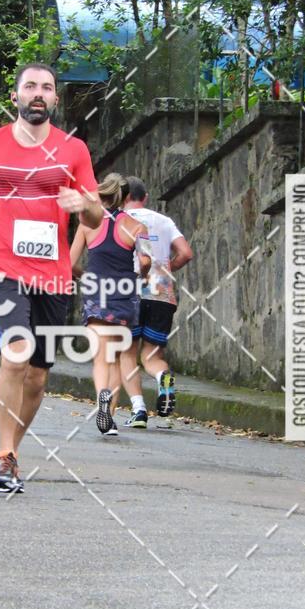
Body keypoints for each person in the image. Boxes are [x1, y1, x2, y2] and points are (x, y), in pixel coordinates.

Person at [0, 62, 103, 493]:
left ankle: (8, 448)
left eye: (46, 88)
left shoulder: (74, 151)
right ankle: (5, 458)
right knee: (15, 355)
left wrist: (80, 204)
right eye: (29, 86)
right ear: (14, 97)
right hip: (3, 269)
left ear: (54, 99)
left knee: (38, 376)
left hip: (52, 275)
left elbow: (97, 214)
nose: (37, 93)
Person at [70, 173, 151, 436]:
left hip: (96, 296)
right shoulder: (137, 227)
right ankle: (111, 418)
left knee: (100, 358)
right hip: (124, 298)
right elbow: (146, 260)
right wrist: (141, 276)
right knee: (116, 357)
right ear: (127, 198)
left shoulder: (86, 225)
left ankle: (102, 399)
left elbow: (70, 264)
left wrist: (88, 277)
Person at [120, 176, 193, 427]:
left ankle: (138, 410)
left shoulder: (118, 220)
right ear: (145, 197)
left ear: (123, 196)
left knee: (127, 353)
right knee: (151, 356)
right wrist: (164, 270)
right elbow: (186, 253)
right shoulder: (164, 221)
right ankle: (163, 377)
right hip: (161, 292)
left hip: (130, 290)